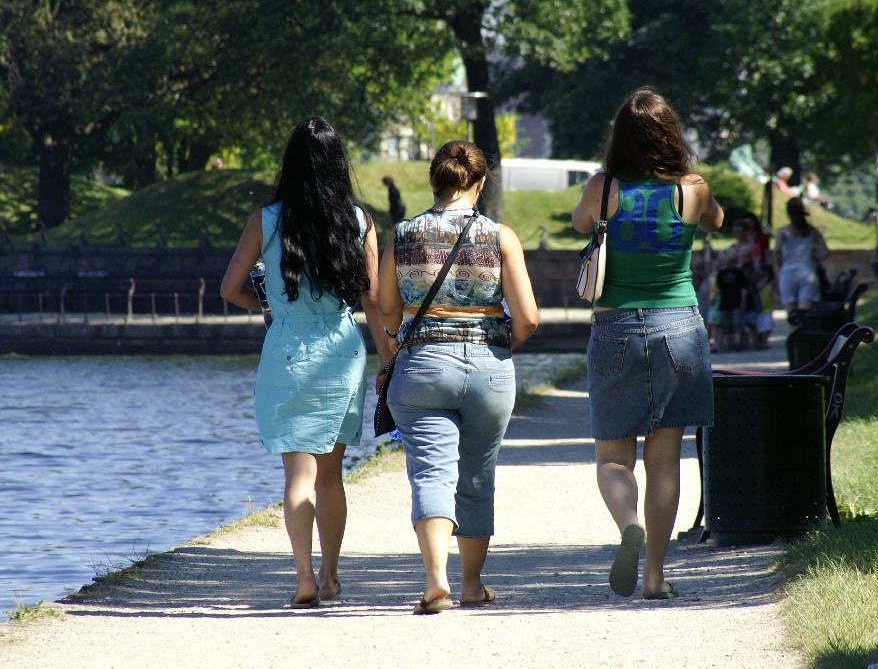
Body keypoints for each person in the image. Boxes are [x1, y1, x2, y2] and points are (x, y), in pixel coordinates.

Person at [220, 117, 390, 609]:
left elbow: (230, 288)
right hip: (341, 351)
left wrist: (271, 305)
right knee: (332, 475)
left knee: (298, 475)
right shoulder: (358, 222)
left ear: (290, 164)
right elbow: (372, 297)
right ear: (339, 165)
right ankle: (332, 574)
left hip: (288, 351)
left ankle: (303, 578)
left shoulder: (267, 220)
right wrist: (387, 358)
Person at [571, 88, 723, 600]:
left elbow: (578, 224)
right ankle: (655, 576)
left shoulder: (603, 186)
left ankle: (627, 524)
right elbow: (717, 221)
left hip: (614, 329)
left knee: (614, 460)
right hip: (679, 328)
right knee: (665, 461)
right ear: (670, 135)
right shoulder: (692, 189)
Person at [378, 140, 539, 614]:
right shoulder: (500, 236)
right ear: (480, 184)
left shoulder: (403, 234)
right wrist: (494, 345)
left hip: (424, 363)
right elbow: (527, 317)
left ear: (435, 181)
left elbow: (388, 307)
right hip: (489, 367)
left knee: (431, 471)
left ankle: (435, 581)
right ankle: (471, 585)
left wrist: (395, 337)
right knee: (476, 476)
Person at [775, 197, 829, 315]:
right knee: (805, 316)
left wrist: (779, 262)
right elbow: (824, 252)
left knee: (792, 318)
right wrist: (813, 256)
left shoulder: (783, 232)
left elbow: (777, 251)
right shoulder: (812, 231)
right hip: (807, 272)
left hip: (788, 273)